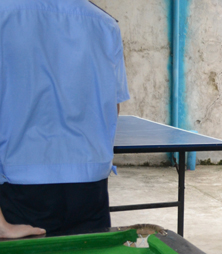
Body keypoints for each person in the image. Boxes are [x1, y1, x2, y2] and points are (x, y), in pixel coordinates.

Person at [0, 0, 129, 236]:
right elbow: (114, 107)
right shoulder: (105, 23)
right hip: (90, 188)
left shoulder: (4, 14)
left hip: (20, 188)